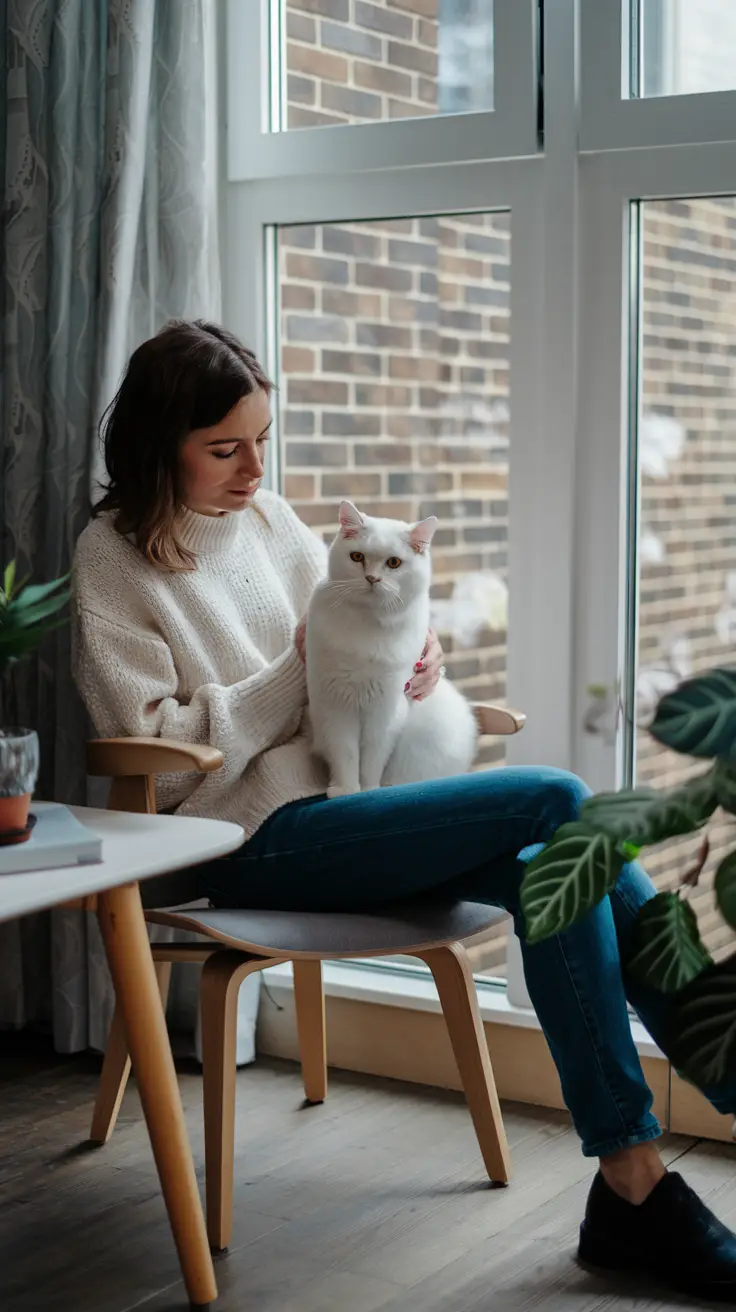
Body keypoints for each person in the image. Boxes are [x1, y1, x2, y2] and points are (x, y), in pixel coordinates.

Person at [73, 319, 736, 1302]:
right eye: (226, 448)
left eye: (264, 438)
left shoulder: (271, 521)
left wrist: (416, 660)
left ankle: (628, 1181)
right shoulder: (112, 559)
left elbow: (355, 645)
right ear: (158, 443)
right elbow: (162, 762)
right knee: (557, 796)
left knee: (554, 860)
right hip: (241, 835)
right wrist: (300, 665)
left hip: (346, 809)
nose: (256, 467)